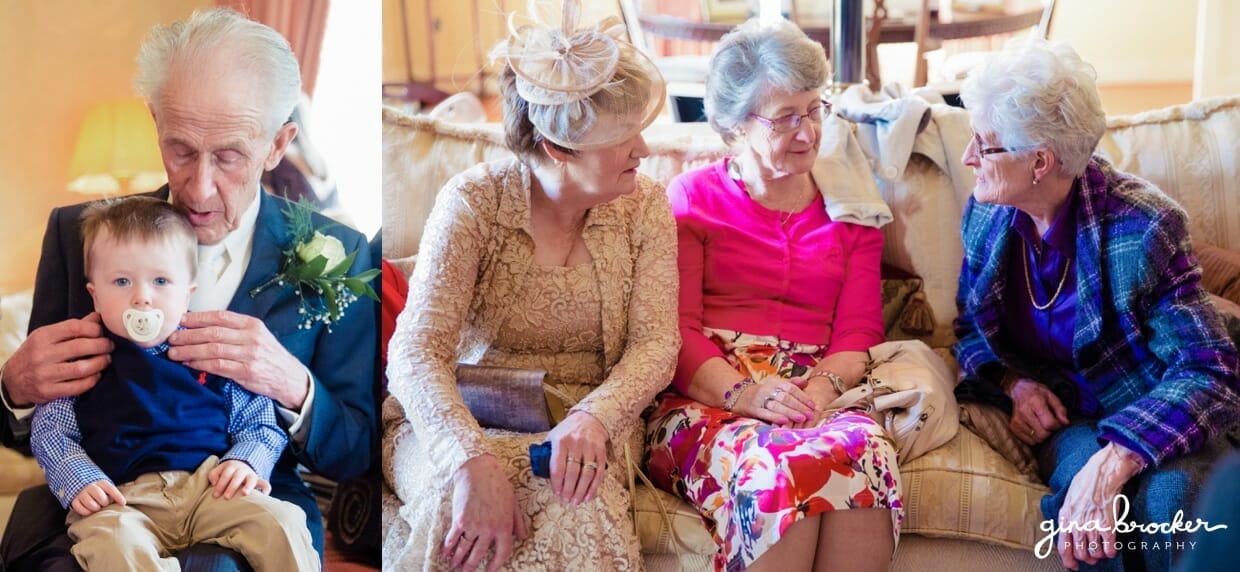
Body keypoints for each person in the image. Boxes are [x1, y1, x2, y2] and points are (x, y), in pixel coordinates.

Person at [0, 8, 376, 570]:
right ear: (155, 122)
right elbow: (37, 430)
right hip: (107, 504)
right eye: (180, 150)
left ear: (277, 144)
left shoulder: (341, 254)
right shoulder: (75, 234)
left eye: (228, 156)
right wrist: (14, 388)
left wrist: (296, 388)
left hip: (248, 506)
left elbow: (360, 449)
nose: (199, 188)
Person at [381, 2, 678, 570]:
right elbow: (416, 353)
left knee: (575, 508)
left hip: (588, 425)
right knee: (459, 507)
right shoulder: (472, 204)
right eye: (624, 136)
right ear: (558, 148)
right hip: (457, 422)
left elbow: (655, 344)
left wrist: (595, 417)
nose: (644, 150)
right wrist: (468, 458)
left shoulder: (647, 206)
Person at [952, 38, 1240, 571]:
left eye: (983, 144)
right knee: (1083, 511)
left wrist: (1118, 458)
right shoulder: (986, 214)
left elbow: (1211, 369)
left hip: (1155, 407)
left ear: (1040, 161)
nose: (969, 157)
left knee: (1169, 501)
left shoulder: (1143, 226)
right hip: (1072, 420)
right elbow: (970, 330)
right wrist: (1013, 385)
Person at [645, 20, 903, 572]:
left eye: (814, 110)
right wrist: (744, 394)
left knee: (866, 451)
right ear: (735, 126)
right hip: (709, 395)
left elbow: (858, 332)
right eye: (787, 117)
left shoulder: (852, 211)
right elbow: (677, 331)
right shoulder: (691, 201)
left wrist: (819, 389)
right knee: (779, 467)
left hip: (818, 390)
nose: (808, 132)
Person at [31, 197, 318, 571]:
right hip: (122, 498)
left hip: (208, 488)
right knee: (112, 546)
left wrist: (246, 461)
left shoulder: (208, 348)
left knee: (282, 521)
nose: (142, 296)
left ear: (187, 292)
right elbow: (50, 431)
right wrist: (79, 479)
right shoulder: (83, 356)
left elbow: (259, 423)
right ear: (94, 294)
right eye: (121, 281)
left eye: (161, 281)